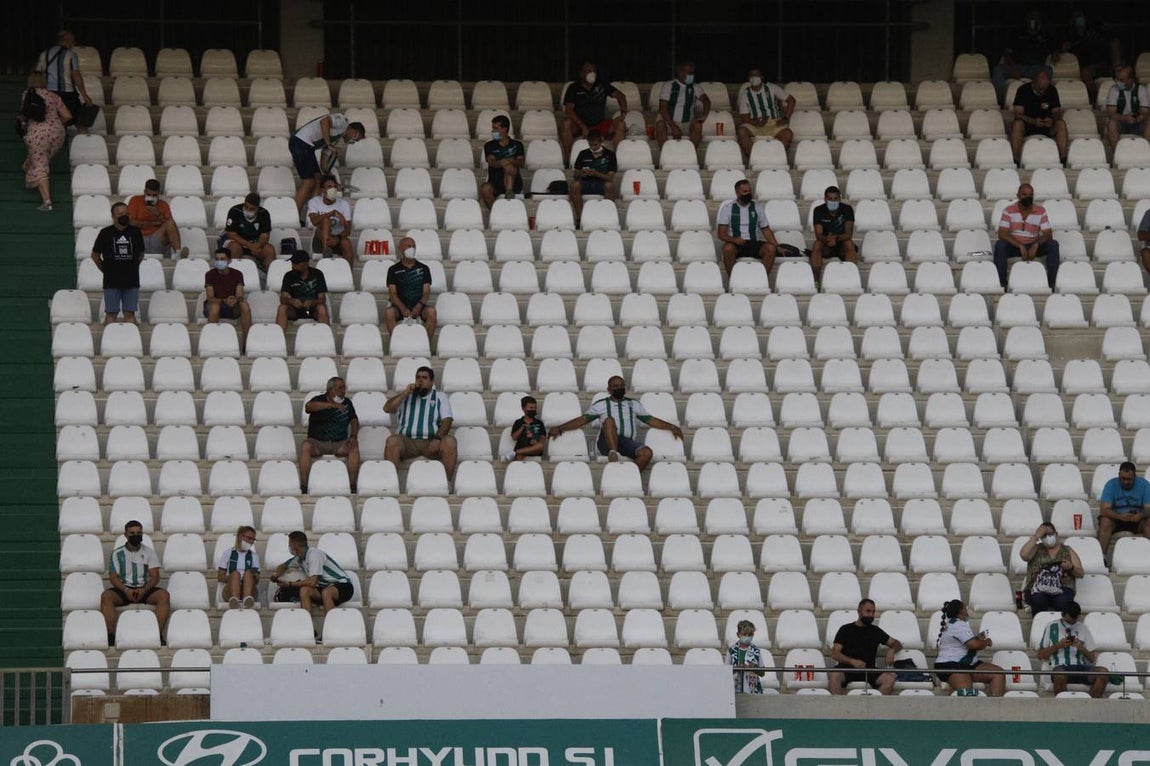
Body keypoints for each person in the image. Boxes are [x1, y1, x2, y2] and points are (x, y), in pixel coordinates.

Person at [547, 375, 683, 471]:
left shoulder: (633, 404)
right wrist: (560, 428)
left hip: (626, 443)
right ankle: (613, 453)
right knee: (609, 421)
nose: (620, 388)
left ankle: (628, 477)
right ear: (609, 390)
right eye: (616, 386)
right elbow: (583, 420)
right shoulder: (601, 405)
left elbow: (650, 420)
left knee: (647, 453)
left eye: (622, 385)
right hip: (606, 443)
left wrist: (671, 427)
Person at [99, 520, 170, 646]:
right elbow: (113, 577)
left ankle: (157, 634)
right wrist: (126, 590)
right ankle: (111, 636)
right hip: (124, 588)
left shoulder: (149, 552)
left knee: (164, 596)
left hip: (144, 588)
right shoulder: (117, 553)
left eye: (138, 533)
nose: (135, 535)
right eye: (132, 533)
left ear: (142, 534)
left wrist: (145, 589)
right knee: (106, 597)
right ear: (125, 535)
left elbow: (155, 576)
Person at [290, 113, 365, 224]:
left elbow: (324, 161)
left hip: (308, 147)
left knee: (318, 179)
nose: (354, 140)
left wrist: (331, 180)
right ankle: (293, 217)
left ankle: (312, 216)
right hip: (300, 142)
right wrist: (328, 143)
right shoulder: (343, 121)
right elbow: (324, 121)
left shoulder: (337, 138)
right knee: (309, 182)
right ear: (353, 130)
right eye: (356, 137)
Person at [383, 366, 458, 479]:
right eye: (418, 377)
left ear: (432, 382)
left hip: (431, 442)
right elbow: (387, 408)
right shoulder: (406, 396)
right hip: (407, 442)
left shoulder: (440, 397)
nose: (420, 380)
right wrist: (405, 392)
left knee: (450, 442)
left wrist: (438, 439)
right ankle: (390, 482)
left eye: (424, 378)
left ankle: (446, 482)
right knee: (392, 441)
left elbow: (447, 421)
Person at [271, 531, 354, 631]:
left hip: (344, 586)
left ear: (295, 547)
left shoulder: (314, 555)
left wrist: (290, 584)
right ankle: (308, 629)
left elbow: (312, 582)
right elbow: (284, 566)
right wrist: (275, 575)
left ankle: (331, 630)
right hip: (325, 588)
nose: (289, 547)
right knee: (304, 590)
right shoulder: (299, 558)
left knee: (326, 592)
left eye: (290, 545)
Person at [828, 599, 904, 695]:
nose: (871, 615)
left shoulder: (875, 631)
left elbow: (897, 643)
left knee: (889, 679)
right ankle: (838, 704)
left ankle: (874, 703)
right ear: (859, 611)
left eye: (873, 612)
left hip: (869, 669)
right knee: (834, 675)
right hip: (847, 668)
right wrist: (852, 661)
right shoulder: (845, 629)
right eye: (868, 611)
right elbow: (834, 653)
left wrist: (891, 651)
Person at [993, 183, 1060, 290]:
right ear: (1018, 196)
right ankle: (1002, 284)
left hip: (1033, 245)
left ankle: (1052, 284)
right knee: (1000, 245)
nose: (1028, 197)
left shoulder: (1041, 211)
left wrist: (1036, 245)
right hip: (1014, 246)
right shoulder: (1009, 210)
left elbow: (1048, 234)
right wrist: (1020, 245)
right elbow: (1002, 234)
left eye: (1030, 195)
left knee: (1053, 245)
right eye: (1024, 194)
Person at [300, 376, 360, 494]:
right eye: (340, 388)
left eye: (344, 388)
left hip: (339, 443)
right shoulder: (319, 399)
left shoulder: (347, 403)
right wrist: (331, 405)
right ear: (331, 390)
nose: (343, 391)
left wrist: (353, 436)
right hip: (317, 442)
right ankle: (304, 486)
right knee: (305, 446)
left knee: (354, 447)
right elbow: (308, 407)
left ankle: (352, 486)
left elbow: (354, 421)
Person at [1036, 601, 1108, 698]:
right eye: (1069, 621)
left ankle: (1090, 705)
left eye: (1075, 620)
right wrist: (1058, 646)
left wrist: (1080, 647)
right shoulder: (1051, 626)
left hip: (1081, 668)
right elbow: (1040, 655)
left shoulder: (1083, 628)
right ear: (1063, 615)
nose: (1072, 623)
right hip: (1060, 667)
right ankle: (1063, 706)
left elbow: (1092, 658)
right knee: (1060, 675)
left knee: (1103, 673)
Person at [20, 71, 70, 211]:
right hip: (57, 133)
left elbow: (24, 113)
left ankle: (47, 201)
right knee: (32, 163)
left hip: (37, 133)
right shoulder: (53, 96)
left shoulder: (27, 94)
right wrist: (54, 124)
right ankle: (30, 171)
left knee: (40, 165)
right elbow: (67, 116)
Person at [934, 599, 1006, 697]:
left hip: (966, 664)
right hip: (951, 665)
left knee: (998, 674)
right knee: (966, 695)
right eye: (965, 608)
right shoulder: (958, 624)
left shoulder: (953, 624)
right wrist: (986, 642)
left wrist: (977, 638)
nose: (967, 610)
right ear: (961, 611)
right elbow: (974, 645)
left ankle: (994, 705)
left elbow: (967, 643)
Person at [91, 202, 144, 324]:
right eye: (120, 214)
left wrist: (133, 267)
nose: (124, 216)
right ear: (113, 216)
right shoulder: (105, 233)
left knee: (130, 315)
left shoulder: (135, 232)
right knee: (111, 315)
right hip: (111, 281)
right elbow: (95, 255)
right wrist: (105, 269)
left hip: (131, 280)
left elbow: (141, 253)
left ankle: (130, 336)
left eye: (126, 213)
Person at [561, 62, 628, 159]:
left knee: (621, 124)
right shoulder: (573, 87)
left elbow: (621, 96)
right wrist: (583, 126)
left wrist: (623, 114)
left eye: (593, 71)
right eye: (588, 71)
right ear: (581, 74)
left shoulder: (602, 85)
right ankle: (568, 158)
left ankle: (616, 158)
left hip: (599, 125)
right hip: (579, 126)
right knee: (566, 122)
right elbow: (569, 110)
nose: (591, 73)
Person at [715, 178, 778, 276]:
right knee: (727, 249)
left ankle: (762, 279)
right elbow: (721, 234)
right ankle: (733, 280)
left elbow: (766, 230)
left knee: (771, 249)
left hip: (754, 243)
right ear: (737, 193)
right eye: (745, 191)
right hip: (736, 244)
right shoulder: (728, 208)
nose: (748, 193)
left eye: (749, 191)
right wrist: (734, 240)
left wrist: (777, 246)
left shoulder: (757, 207)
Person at [991, 9, 1054, 105]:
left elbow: (1054, 49)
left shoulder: (1044, 35)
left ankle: (1040, 100)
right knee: (998, 70)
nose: (1034, 21)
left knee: (1048, 70)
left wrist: (1056, 53)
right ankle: (1001, 102)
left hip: (1036, 69)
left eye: (1037, 19)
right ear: (1027, 20)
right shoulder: (1017, 34)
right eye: (1032, 18)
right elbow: (1007, 54)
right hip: (1018, 67)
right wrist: (1013, 68)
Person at [1019, 523, 1083, 614]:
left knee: (1062, 601)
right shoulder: (1036, 549)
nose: (1048, 537)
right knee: (1038, 599)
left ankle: (1060, 622)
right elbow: (1023, 555)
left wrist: (1071, 567)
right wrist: (1036, 536)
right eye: (1044, 535)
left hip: (1063, 588)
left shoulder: (1067, 550)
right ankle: (1040, 622)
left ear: (1056, 534)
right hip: (1038, 588)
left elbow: (1081, 573)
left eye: (1050, 534)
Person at [34, 29, 92, 128]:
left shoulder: (44, 54)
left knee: (53, 118)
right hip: (68, 94)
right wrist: (84, 95)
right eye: (73, 42)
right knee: (79, 120)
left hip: (49, 93)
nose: (73, 44)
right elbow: (76, 75)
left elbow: (38, 74)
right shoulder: (71, 55)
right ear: (68, 41)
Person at [1057, 8, 1121, 97]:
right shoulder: (1071, 36)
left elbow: (1113, 41)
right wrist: (1063, 49)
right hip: (1085, 68)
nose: (1080, 19)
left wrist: (1116, 65)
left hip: (1103, 65)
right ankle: (1096, 99)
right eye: (1077, 16)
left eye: (1081, 16)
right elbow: (1065, 53)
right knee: (1085, 72)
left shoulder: (1095, 30)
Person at [736, 68, 795, 161]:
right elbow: (744, 118)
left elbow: (791, 100)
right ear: (748, 78)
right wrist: (756, 122)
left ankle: (777, 159)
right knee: (741, 132)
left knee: (788, 134)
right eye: (752, 75)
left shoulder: (772, 88)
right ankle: (754, 159)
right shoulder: (745, 94)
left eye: (757, 75)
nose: (754, 78)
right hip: (755, 124)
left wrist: (786, 118)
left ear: (762, 77)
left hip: (773, 123)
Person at [1010, 70, 1067, 166]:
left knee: (1060, 123)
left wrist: (1052, 119)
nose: (1043, 91)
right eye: (1040, 89)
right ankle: (1016, 159)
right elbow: (1017, 114)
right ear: (1034, 82)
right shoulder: (1023, 90)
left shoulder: (1052, 90)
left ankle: (1063, 158)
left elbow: (1056, 112)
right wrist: (1033, 121)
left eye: (1045, 86)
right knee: (1017, 124)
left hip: (1047, 126)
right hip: (1028, 126)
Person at [1097, 461, 1150, 564]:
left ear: (1135, 476)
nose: (1125, 482)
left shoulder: (1144, 485)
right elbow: (1104, 510)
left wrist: (1141, 515)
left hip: (1137, 519)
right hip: (1116, 519)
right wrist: (1121, 517)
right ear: (1119, 475)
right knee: (1105, 521)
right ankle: (1101, 558)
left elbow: (1149, 509)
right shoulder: (1111, 484)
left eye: (1129, 479)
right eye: (1123, 478)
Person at [384, 237, 436, 338]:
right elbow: (392, 293)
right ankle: (396, 342)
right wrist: (402, 308)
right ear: (400, 248)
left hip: (419, 306)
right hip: (399, 307)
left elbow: (426, 292)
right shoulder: (393, 270)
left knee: (431, 312)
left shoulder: (424, 268)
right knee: (389, 313)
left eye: (413, 246)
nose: (412, 249)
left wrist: (419, 306)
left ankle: (426, 344)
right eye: (408, 246)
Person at [204, 247, 252, 349]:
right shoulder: (210, 275)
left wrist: (234, 300)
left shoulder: (237, 274)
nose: (219, 261)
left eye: (222, 259)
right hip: (215, 305)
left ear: (229, 260)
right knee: (215, 306)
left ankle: (246, 344)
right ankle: (210, 344)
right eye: (217, 259)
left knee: (244, 305)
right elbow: (210, 298)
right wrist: (224, 301)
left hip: (232, 306)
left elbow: (240, 296)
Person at [810, 185, 857, 288]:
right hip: (826, 244)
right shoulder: (818, 210)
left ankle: (852, 280)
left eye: (835, 199)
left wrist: (836, 238)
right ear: (825, 199)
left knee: (849, 243)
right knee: (817, 244)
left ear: (840, 199)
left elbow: (848, 234)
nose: (833, 201)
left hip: (841, 244)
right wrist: (827, 239)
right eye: (830, 199)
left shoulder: (847, 209)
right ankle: (816, 282)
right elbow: (818, 234)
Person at [127, 179, 188, 258]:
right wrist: (153, 223)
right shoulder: (135, 200)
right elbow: (131, 223)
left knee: (170, 222)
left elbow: (169, 225)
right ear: (144, 192)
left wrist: (159, 214)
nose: (151, 197)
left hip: (157, 238)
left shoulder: (163, 204)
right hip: (140, 238)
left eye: (154, 195)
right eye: (149, 194)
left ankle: (178, 254)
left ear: (158, 194)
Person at [655, 61, 711, 148]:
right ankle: (664, 153)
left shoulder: (695, 87)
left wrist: (704, 115)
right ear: (680, 72)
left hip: (687, 124)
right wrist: (673, 127)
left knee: (698, 125)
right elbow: (662, 109)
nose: (691, 75)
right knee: (660, 125)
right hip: (669, 122)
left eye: (692, 73)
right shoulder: (669, 85)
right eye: (688, 72)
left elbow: (707, 101)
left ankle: (691, 153)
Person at [569, 129, 617, 224]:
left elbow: (610, 178)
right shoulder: (583, 154)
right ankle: (580, 218)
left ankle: (607, 217)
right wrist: (581, 173)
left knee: (610, 186)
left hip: (601, 183)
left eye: (595, 145)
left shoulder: (610, 154)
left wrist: (596, 174)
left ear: (601, 141)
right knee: (574, 185)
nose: (593, 147)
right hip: (585, 183)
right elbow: (575, 175)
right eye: (590, 145)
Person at [220, 192, 275, 271]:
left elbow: (265, 235)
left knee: (269, 250)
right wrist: (249, 245)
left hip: (255, 243)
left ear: (257, 207)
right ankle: (231, 274)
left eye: (251, 209)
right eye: (246, 207)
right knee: (235, 248)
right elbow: (231, 234)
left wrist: (257, 246)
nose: (248, 210)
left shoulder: (264, 214)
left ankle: (270, 275)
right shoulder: (235, 211)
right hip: (236, 241)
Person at [276, 250, 330, 330]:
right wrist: (291, 301)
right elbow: (283, 298)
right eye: (293, 263)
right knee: (282, 308)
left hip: (313, 309)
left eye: (296, 263)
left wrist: (312, 302)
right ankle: (279, 336)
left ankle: (326, 335)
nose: (293, 265)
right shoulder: (288, 275)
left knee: (322, 308)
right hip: (295, 309)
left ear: (305, 264)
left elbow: (322, 299)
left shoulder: (317, 274)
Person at [481, 115, 526, 208]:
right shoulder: (489, 145)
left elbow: (521, 162)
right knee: (485, 189)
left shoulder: (517, 144)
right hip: (495, 183)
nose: (492, 131)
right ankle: (496, 213)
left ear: (504, 129)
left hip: (515, 183)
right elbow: (491, 162)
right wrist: (503, 162)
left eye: (495, 128)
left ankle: (509, 192)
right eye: (493, 128)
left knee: (509, 167)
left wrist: (510, 160)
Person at [307, 175, 353, 263]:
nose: (333, 189)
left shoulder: (344, 204)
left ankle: (349, 271)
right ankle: (326, 251)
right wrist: (332, 213)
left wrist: (337, 238)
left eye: (335, 187)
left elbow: (348, 230)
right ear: (322, 190)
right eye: (329, 187)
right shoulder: (315, 202)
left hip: (337, 239)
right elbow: (314, 221)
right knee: (325, 221)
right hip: (320, 240)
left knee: (346, 243)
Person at [1105, 66, 1150, 149]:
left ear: (1130, 79)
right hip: (1121, 123)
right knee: (1111, 124)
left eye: (1121, 80)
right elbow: (1111, 113)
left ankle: (1146, 151)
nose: (1118, 82)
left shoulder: (1141, 90)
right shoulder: (1113, 90)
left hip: (1137, 123)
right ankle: (1118, 153)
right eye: (1117, 79)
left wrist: (1139, 117)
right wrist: (1124, 117)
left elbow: (1145, 111)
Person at [218, 525, 259, 610]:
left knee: (248, 574)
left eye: (253, 540)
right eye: (249, 538)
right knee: (236, 574)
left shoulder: (254, 556)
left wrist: (252, 575)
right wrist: (234, 578)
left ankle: (246, 600)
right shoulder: (227, 553)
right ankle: (235, 601)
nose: (251, 542)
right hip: (230, 590)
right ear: (240, 536)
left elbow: (257, 580)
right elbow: (220, 577)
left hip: (250, 590)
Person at [726, 619, 766, 694]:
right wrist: (737, 668)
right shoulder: (731, 651)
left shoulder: (756, 650)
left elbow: (762, 672)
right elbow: (725, 672)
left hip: (753, 689)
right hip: (735, 689)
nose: (747, 637)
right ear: (738, 635)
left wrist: (754, 667)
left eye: (750, 635)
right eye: (744, 634)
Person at [503, 395, 547, 462]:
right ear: (523, 409)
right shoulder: (518, 422)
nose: (533, 410)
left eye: (535, 408)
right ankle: (518, 454)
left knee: (540, 446)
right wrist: (522, 428)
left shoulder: (539, 423)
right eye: (531, 408)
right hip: (521, 447)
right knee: (519, 457)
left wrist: (536, 441)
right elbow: (514, 437)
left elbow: (543, 438)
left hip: (535, 449)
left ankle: (514, 452)